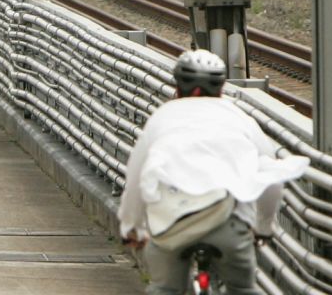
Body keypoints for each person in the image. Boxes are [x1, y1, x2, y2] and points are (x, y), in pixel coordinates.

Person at [117, 49, 309, 295]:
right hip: (229, 222)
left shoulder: (161, 118)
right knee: (243, 288)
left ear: (178, 86)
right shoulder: (241, 119)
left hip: (171, 222)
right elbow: (270, 178)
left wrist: (132, 227)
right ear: (221, 87)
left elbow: (136, 178)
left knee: (164, 288)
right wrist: (263, 227)